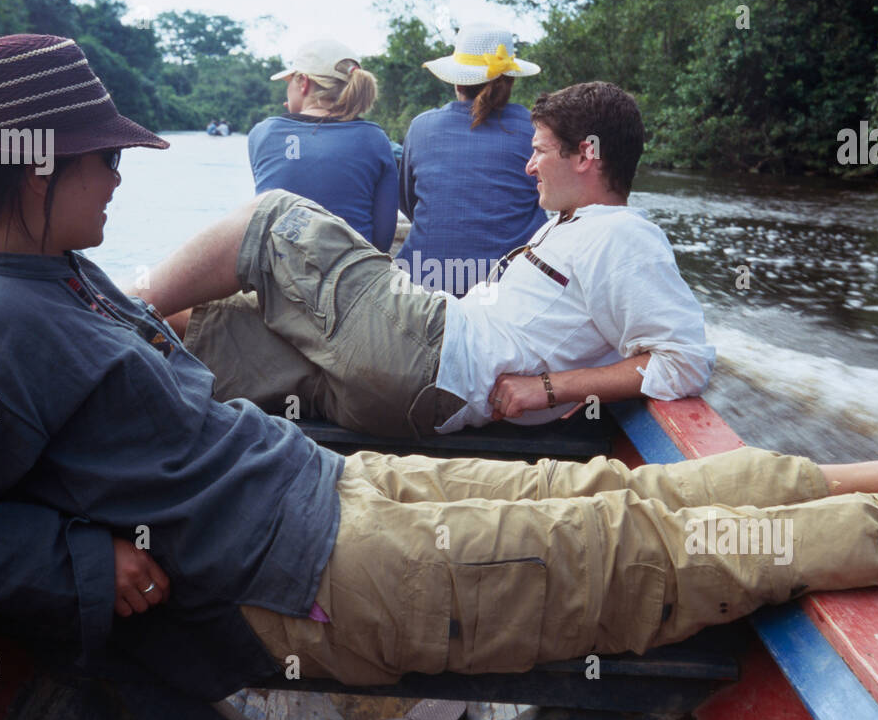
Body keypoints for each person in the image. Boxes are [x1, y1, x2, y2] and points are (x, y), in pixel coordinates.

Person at [0, 33, 878, 707]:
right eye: (102, 160)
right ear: (36, 173)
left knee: (621, 498)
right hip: (314, 577)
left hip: (332, 490)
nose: (118, 178)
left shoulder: (68, 285)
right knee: (632, 559)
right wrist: (74, 559)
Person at [146, 81, 716, 438]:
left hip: (431, 349)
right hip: (404, 395)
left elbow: (685, 359)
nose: (529, 166)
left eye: (539, 151)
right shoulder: (570, 226)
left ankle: (109, 302)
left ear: (586, 154)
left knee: (273, 217)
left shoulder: (623, 236)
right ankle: (96, 330)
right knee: (218, 322)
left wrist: (552, 388)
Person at [398, 23, 549, 297]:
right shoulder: (536, 130)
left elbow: (409, 203)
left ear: (457, 81)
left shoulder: (421, 127)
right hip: (508, 288)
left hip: (423, 283)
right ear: (510, 80)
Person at [247, 38, 397, 251]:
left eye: (289, 81)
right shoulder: (375, 139)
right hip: (352, 274)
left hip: (277, 275)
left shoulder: (263, 133)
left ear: (303, 82)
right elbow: (382, 241)